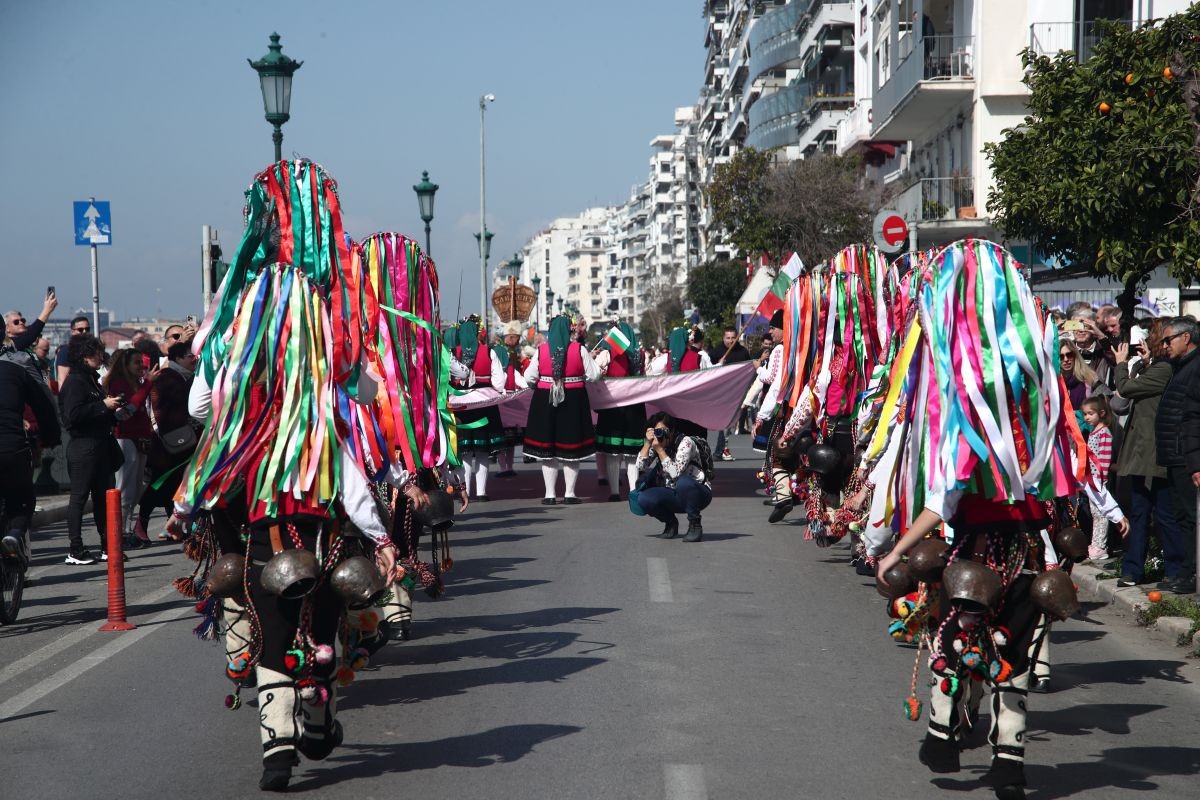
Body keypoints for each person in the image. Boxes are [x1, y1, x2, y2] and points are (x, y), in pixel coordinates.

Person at [1112, 327, 1185, 587]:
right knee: (1140, 512)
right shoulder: (1155, 367)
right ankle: (1133, 570)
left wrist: (1121, 365)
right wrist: (1142, 364)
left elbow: (1126, 388)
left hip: (1155, 455)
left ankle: (1176, 570)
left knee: (1164, 514)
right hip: (1143, 455)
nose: (1161, 344)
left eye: (1161, 339)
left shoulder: (1164, 370)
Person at [1, 317, 61, 566]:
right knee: (21, 499)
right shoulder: (16, 368)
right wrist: (51, 437)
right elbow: (45, 407)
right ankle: (15, 535)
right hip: (10, 447)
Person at [522, 314, 601, 504]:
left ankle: (550, 495)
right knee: (571, 449)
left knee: (548, 449)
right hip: (573, 401)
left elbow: (529, 377)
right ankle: (570, 494)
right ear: (569, 329)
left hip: (544, 399)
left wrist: (542, 383)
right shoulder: (579, 349)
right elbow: (595, 374)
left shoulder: (541, 350)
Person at [58, 334, 122, 565]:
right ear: (84, 355)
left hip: (100, 445)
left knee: (104, 498)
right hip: (83, 446)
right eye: (96, 352)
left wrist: (111, 407)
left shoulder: (92, 380)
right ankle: (75, 548)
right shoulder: (76, 381)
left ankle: (108, 546)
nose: (100, 356)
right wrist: (101, 406)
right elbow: (72, 415)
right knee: (79, 498)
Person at [1154, 316, 1200, 594]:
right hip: (1177, 455)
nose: (1164, 345)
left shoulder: (1195, 368)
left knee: (1191, 516)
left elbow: (1192, 417)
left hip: (1187, 456)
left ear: (1186, 338)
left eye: (1168, 339)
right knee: (1181, 516)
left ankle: (1191, 573)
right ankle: (1186, 570)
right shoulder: (1180, 367)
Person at [103, 348, 162, 548]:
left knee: (136, 488)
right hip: (125, 438)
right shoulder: (119, 383)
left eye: (142, 364)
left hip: (139, 438)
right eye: (136, 363)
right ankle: (121, 532)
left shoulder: (136, 383)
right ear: (126, 365)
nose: (141, 368)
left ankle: (126, 529)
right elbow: (129, 408)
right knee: (125, 488)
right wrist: (148, 384)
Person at [141, 341, 198, 539]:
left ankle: (171, 526)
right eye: (189, 356)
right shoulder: (169, 378)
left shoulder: (179, 376)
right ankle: (141, 525)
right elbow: (170, 408)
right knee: (160, 484)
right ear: (178, 358)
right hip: (169, 442)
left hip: (175, 442)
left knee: (171, 485)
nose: (194, 360)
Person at [634, 412, 713, 542]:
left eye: (662, 430)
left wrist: (660, 451)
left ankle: (695, 524)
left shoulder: (685, 442)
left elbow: (676, 473)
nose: (659, 434)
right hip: (674, 494)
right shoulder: (658, 443)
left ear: (672, 430)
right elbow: (640, 466)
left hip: (698, 494)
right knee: (643, 498)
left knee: (683, 482)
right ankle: (670, 523)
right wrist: (648, 444)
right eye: (656, 431)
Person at [451, 317, 505, 502]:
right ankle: (481, 492)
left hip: (460, 405)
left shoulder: (452, 353)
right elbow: (499, 381)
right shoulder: (489, 352)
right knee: (482, 451)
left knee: (464, 451)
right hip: (484, 404)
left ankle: (464, 491)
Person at [593, 320, 646, 501]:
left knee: (613, 453)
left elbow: (594, 374)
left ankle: (614, 492)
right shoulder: (640, 354)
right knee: (631, 454)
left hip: (612, 406)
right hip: (634, 406)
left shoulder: (606, 353)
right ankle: (633, 491)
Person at [1080, 395, 1127, 561]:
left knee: (1101, 513)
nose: (1086, 417)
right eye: (1085, 414)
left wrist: (1100, 479)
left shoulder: (1104, 434)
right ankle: (1096, 543)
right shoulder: (1094, 433)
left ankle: (1100, 546)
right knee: (1095, 512)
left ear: (1101, 413)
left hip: (1098, 480)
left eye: (1090, 413)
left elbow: (1104, 459)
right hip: (1092, 480)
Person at [707, 326, 751, 461]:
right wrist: (718, 364)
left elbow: (749, 369)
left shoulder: (743, 352)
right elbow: (708, 371)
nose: (731, 341)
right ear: (723, 338)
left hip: (737, 392)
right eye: (728, 338)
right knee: (723, 422)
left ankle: (721, 449)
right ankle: (720, 450)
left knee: (730, 423)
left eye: (733, 338)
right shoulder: (716, 352)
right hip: (721, 393)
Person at [493, 320, 529, 479]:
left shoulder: (510, 368)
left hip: (508, 405)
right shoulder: (506, 369)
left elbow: (522, 381)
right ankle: (504, 466)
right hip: (502, 406)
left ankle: (508, 466)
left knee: (509, 440)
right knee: (503, 440)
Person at [55, 315, 92, 387]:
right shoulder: (66, 351)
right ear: (72, 332)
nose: (84, 332)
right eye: (80, 330)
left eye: (87, 329)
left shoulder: (91, 350)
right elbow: (62, 379)